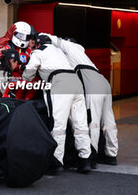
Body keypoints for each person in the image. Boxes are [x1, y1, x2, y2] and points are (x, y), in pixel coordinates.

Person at [42, 33, 118, 167]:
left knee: (92, 121)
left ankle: (91, 157)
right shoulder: (81, 52)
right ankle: (111, 155)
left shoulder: (70, 47)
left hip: (90, 82)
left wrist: (42, 35)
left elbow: (57, 41)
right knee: (108, 121)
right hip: (102, 81)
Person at [22, 34, 91, 173]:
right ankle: (85, 160)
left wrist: (25, 76)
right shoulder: (60, 51)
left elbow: (28, 73)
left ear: (37, 44)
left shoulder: (38, 51)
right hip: (76, 83)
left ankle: (56, 163)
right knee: (80, 123)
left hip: (59, 83)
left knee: (58, 124)